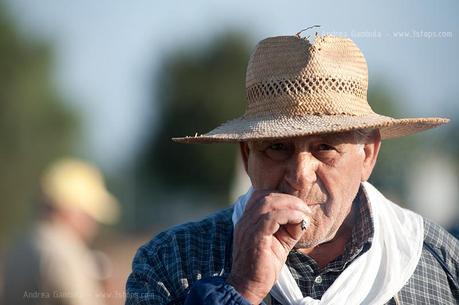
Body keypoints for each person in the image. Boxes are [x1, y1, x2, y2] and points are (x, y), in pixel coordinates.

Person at [125, 33, 459, 304]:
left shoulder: (442, 263)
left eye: (326, 147)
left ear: (368, 154)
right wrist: (240, 288)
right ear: (246, 156)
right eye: (277, 147)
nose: (300, 175)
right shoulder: (169, 264)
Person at [2, 158, 120, 305]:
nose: (93, 223)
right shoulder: (67, 252)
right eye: (89, 213)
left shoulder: (20, 245)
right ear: (69, 209)